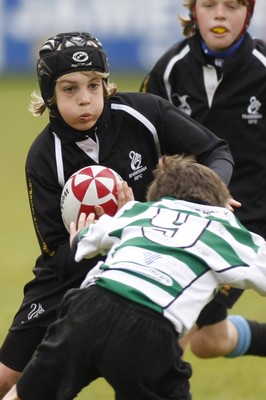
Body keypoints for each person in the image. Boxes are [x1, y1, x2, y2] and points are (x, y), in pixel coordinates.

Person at [0, 31, 234, 398]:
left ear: (106, 84)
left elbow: (216, 152)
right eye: (70, 89)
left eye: (94, 85)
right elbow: (55, 255)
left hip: (145, 263)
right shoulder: (44, 157)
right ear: (49, 94)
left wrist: (211, 196)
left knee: (185, 348)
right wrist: (85, 241)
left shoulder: (144, 113)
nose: (85, 100)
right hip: (70, 272)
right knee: (5, 378)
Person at [4, 154, 266, 400]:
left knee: (26, 394)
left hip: (87, 308)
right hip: (149, 329)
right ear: (224, 203)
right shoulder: (228, 229)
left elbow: (82, 241)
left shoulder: (140, 211)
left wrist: (79, 238)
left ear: (159, 196)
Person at [140, 0, 266, 359]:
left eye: (232, 5)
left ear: (250, 12)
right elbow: (144, 138)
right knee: (209, 342)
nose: (220, 14)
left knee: (165, 340)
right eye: (209, 4)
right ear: (194, 11)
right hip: (184, 226)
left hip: (247, 229)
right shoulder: (169, 69)